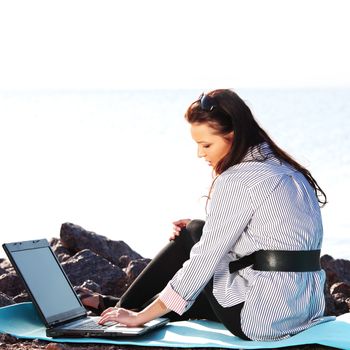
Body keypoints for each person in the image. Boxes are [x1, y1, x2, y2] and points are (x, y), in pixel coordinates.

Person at [92, 89, 333, 341]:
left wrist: (140, 320)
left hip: (262, 318)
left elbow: (204, 259)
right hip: (302, 308)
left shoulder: (237, 179)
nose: (200, 153)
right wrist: (203, 230)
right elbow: (273, 240)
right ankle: (123, 308)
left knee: (191, 241)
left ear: (233, 136)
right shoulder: (285, 168)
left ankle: (126, 311)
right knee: (195, 235)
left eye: (206, 144)